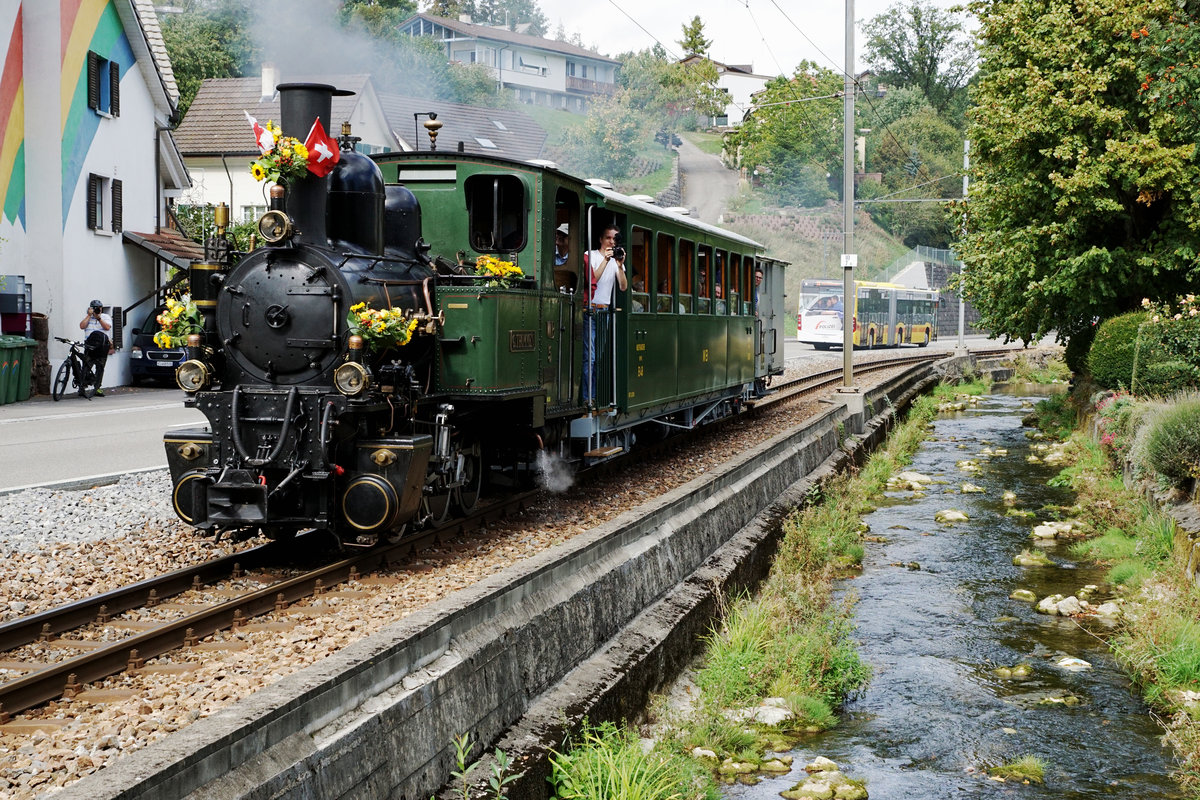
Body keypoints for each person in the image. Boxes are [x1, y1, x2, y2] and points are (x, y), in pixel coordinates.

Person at [583, 224, 628, 404]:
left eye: (614, 239)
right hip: (590, 309)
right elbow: (592, 279)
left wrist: (619, 266)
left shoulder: (616, 260)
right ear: (601, 239)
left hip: (604, 311)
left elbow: (623, 286)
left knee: (599, 357)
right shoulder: (590, 255)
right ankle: (588, 397)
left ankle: (594, 395)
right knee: (590, 357)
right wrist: (606, 260)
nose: (611, 241)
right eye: (608, 238)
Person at [78, 299, 113, 396]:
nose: (98, 310)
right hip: (89, 346)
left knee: (100, 368)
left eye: (99, 308)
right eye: (95, 308)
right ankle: (82, 387)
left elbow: (107, 327)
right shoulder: (88, 317)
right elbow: (82, 326)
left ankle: (97, 388)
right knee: (86, 366)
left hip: (102, 347)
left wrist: (99, 318)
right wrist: (89, 315)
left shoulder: (105, 317)